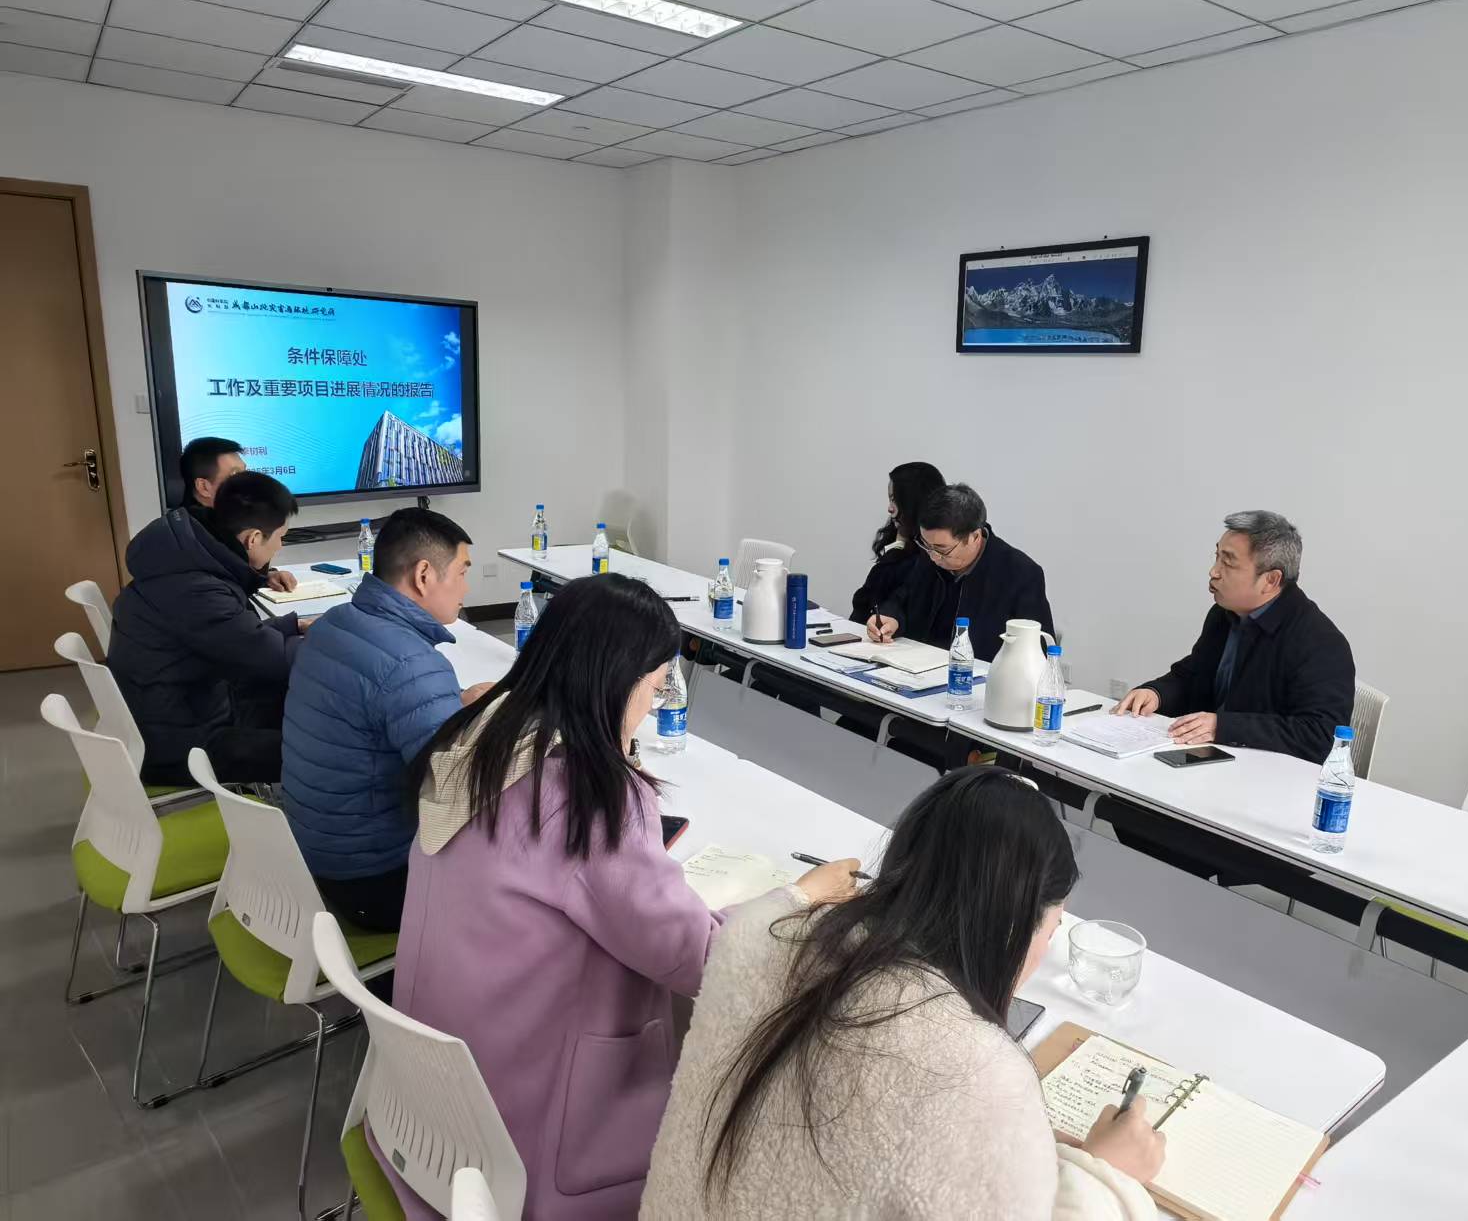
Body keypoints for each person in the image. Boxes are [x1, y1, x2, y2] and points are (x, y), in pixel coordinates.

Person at [378, 574, 860, 1221]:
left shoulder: (482, 736)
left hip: (428, 1115)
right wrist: (798, 895)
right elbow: (703, 958)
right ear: (617, 681)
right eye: (655, 686)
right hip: (523, 1148)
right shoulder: (585, 793)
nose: (654, 704)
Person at [641, 767, 1165, 1220]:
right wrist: (1108, 1177)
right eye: (1053, 925)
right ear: (1010, 927)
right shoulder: (978, 1075)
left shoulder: (760, 932)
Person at [280, 508, 495, 934]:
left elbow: (374, 711)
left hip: (314, 850)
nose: (467, 587)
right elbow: (459, 789)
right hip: (375, 881)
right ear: (423, 575)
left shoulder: (334, 624)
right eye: (462, 572)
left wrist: (455, 703)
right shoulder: (411, 663)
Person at [108, 472, 306, 785]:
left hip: (188, 706)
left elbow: (236, 635)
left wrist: (294, 625)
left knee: (299, 701)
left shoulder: (185, 559)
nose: (280, 546)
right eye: (280, 537)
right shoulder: (197, 587)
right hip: (184, 745)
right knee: (326, 750)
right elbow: (273, 659)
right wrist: (334, 638)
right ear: (253, 538)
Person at [1115, 510, 1353, 765]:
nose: (1213, 572)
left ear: (1271, 580)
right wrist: (1156, 693)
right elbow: (1193, 675)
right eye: (1216, 557)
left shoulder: (1320, 642)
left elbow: (1320, 735)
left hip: (1268, 777)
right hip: (1207, 763)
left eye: (1228, 563)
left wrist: (1224, 727)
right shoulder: (1224, 614)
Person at [867, 483, 1053, 661]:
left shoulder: (1020, 574)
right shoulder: (930, 555)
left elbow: (1038, 649)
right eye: (926, 544)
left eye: (942, 549)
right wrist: (891, 617)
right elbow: (903, 597)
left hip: (976, 675)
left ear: (974, 537)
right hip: (918, 667)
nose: (933, 556)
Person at [179, 436, 296, 592]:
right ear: (204, 487)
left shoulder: (224, 520)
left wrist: (266, 577)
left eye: (245, 472)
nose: (248, 482)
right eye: (235, 475)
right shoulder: (193, 539)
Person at [849, 461, 945, 624]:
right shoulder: (897, 536)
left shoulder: (931, 558)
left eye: (895, 500)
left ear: (912, 502)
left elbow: (882, 596)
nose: (889, 508)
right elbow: (865, 601)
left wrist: (896, 549)